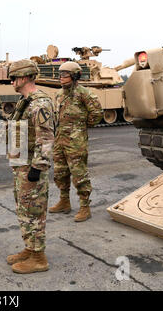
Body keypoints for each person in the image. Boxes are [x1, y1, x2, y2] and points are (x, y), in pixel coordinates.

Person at [6, 60, 55, 274]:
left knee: (34, 210)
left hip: (31, 167)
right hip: (21, 165)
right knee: (24, 208)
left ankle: (39, 258)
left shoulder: (40, 104)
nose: (12, 82)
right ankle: (30, 248)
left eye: (14, 77)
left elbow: (46, 138)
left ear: (25, 77)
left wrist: (38, 167)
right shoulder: (24, 102)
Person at [48, 61, 103, 222]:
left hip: (76, 141)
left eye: (65, 75)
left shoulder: (84, 93)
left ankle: (85, 207)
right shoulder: (59, 95)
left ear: (75, 76)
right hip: (60, 139)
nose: (61, 78)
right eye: (60, 75)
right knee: (60, 172)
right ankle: (64, 201)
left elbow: (97, 113)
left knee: (79, 174)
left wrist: (81, 127)